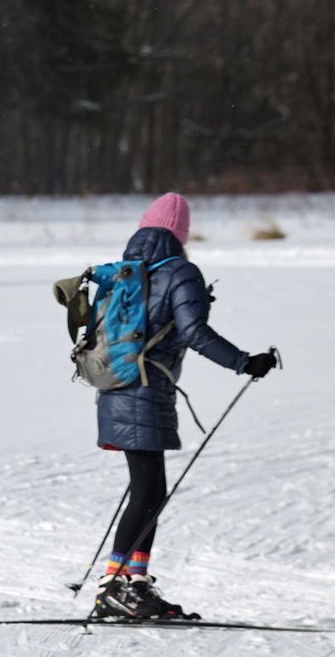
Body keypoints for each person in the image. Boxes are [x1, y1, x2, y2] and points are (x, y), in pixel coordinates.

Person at [93, 193, 276, 620]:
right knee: (147, 492)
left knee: (150, 491)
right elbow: (195, 332)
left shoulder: (126, 272)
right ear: (181, 234)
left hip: (116, 388)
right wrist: (244, 362)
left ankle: (133, 583)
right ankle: (115, 586)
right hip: (143, 391)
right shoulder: (180, 272)